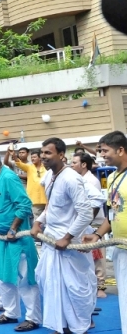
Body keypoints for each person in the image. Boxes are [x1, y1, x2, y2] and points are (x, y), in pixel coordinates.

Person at [31, 138, 95, 334]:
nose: (43, 156)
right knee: (49, 283)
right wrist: (38, 222)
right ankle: (62, 326)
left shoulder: (71, 178)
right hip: (51, 241)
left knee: (73, 288)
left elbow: (85, 213)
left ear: (61, 155)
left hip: (68, 244)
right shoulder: (50, 176)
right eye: (42, 152)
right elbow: (51, 206)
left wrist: (67, 237)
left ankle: (78, 327)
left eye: (48, 153)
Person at [0, 147, 41, 332]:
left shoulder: (8, 177)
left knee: (25, 279)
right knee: (4, 278)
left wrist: (13, 228)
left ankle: (33, 318)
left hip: (17, 239)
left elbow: (24, 205)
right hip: (1, 238)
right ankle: (10, 313)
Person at [94, 131, 125, 334]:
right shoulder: (112, 177)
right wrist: (97, 235)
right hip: (120, 248)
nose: (102, 155)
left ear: (120, 150)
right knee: (125, 298)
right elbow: (111, 214)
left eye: (105, 151)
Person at [71, 151, 108, 298]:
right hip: (81, 223)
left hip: (94, 223)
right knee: (86, 257)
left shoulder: (91, 181)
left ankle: (100, 286)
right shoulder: (76, 179)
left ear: (84, 164)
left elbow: (96, 203)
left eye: (74, 163)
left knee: (98, 256)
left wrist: (87, 222)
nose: (71, 165)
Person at [5, 145, 48, 223]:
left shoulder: (46, 168)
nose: (32, 159)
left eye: (34, 157)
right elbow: (19, 163)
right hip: (35, 200)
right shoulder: (29, 167)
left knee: (48, 220)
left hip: (46, 199)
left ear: (40, 158)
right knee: (38, 222)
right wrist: (13, 155)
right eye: (32, 157)